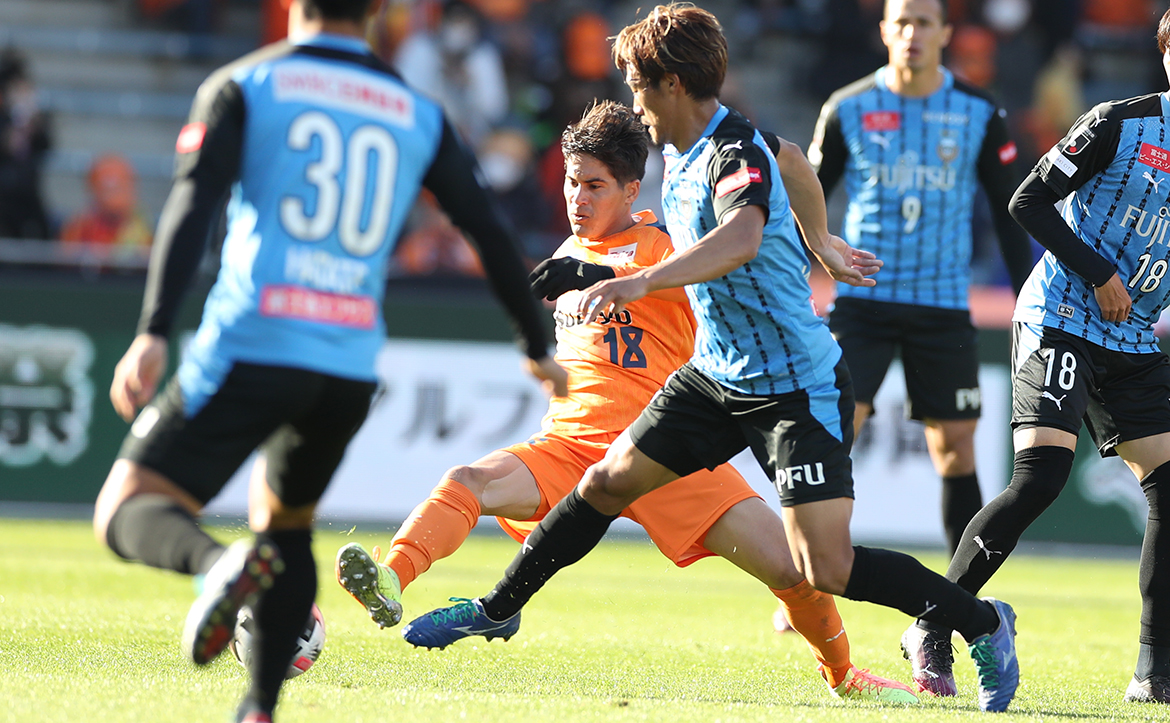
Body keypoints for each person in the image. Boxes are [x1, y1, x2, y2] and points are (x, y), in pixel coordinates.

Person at [401, 4, 1022, 714]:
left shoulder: (731, 152)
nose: (634, 102)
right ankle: (497, 607)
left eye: (638, 86)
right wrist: (820, 238)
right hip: (716, 373)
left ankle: (983, 622)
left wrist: (637, 281)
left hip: (794, 383)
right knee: (606, 480)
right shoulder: (699, 142)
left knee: (825, 566)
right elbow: (797, 159)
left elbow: (742, 237)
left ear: (671, 84)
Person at [335, 99, 918, 703]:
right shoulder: (564, 257)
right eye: (571, 182)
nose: (578, 198)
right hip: (573, 449)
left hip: (667, 452)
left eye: (595, 185)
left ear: (631, 189)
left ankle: (844, 677)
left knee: (795, 572)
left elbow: (693, 272)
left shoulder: (663, 246)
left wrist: (596, 279)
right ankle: (391, 578)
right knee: (466, 480)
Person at [89, 1, 566, 721]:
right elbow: (488, 228)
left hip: (255, 340)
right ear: (377, 10)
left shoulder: (248, 84)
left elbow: (193, 205)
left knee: (125, 505)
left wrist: (154, 329)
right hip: (347, 364)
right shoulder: (415, 110)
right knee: (286, 527)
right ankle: (260, 706)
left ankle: (219, 567)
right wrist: (535, 343)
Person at [902, 7, 1170, 705]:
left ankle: (1154, 672)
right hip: (1065, 313)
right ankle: (932, 623)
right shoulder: (1119, 123)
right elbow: (1028, 200)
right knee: (1042, 478)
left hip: (1134, 333)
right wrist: (1099, 272)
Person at [808, 0, 1035, 579]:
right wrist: (807, 267)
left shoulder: (978, 110)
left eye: (924, 22)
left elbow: (1009, 210)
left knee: (955, 445)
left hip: (941, 305)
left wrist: (1028, 298)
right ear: (885, 31)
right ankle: (813, 582)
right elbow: (806, 205)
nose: (913, 32)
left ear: (945, 32)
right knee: (836, 432)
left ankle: (963, 594)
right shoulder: (847, 107)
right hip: (863, 300)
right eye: (903, 22)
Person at [60, 154, 153, 250]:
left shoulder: (143, 232)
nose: (113, 195)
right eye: (107, 187)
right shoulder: (79, 229)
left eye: (119, 187)